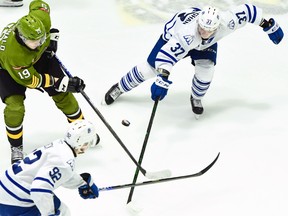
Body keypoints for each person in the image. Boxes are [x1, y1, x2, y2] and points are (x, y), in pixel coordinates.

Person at [104, 4, 284, 118]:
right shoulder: (187, 34)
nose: (204, 32)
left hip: (204, 47)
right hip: (171, 39)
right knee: (149, 69)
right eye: (202, 28)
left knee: (206, 71)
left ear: (216, 26)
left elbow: (248, 11)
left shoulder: (226, 22)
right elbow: (166, 56)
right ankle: (120, 87)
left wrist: (267, 24)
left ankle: (196, 98)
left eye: (208, 30)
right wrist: (163, 78)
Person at [0, 0, 86, 164]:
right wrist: (62, 82)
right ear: (23, 38)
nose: (40, 44)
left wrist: (52, 38)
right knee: (15, 108)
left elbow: (39, 4)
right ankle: (16, 147)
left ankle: (81, 130)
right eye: (36, 42)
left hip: (36, 58)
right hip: (8, 70)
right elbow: (35, 81)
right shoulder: (14, 56)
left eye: (42, 39)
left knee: (63, 95)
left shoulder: (40, 21)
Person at [0, 119, 100, 216]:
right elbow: (39, 189)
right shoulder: (65, 161)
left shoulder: (59, 145)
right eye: (89, 143)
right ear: (82, 144)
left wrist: (82, 183)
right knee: (62, 213)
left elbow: (59, 174)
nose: (88, 146)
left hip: (7, 188)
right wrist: (49, 214)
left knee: (61, 209)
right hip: (14, 203)